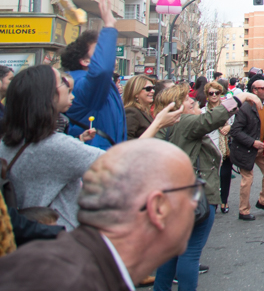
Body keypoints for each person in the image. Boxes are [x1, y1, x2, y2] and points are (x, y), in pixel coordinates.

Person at [0, 139, 202, 291]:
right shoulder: (70, 281)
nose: (196, 203)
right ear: (158, 208)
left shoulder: (81, 268)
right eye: (192, 191)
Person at [0, 66, 180, 232]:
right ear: (48, 96)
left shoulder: (7, 142)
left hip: (27, 240)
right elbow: (123, 164)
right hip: (59, 243)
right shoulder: (54, 145)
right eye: (62, 84)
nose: (71, 92)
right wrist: (158, 123)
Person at [152, 84, 260, 291]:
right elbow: (211, 119)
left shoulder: (161, 126)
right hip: (194, 194)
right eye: (187, 99)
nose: (193, 101)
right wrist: (242, 97)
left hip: (169, 194)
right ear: (175, 106)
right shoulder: (184, 122)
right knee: (190, 252)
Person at [61, 0, 125, 150]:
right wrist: (109, 26)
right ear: (84, 61)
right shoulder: (80, 84)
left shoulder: (96, 84)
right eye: (99, 50)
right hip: (96, 160)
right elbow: (102, 70)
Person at [229, 75, 264, 220]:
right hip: (246, 149)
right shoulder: (245, 108)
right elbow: (235, 131)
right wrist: (252, 142)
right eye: (263, 88)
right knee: (247, 179)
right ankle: (243, 210)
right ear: (254, 91)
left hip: (262, 148)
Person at [200, 82, 234, 214]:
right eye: (211, 93)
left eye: (217, 93)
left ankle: (224, 201)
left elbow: (235, 123)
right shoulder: (203, 111)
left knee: (225, 175)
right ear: (207, 95)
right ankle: (212, 201)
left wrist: (229, 127)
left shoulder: (228, 109)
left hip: (226, 146)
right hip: (210, 147)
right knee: (212, 176)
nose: (214, 96)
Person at [122, 75, 157, 139]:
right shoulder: (131, 112)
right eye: (148, 89)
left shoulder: (144, 111)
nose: (152, 91)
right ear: (136, 93)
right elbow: (126, 141)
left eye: (153, 88)